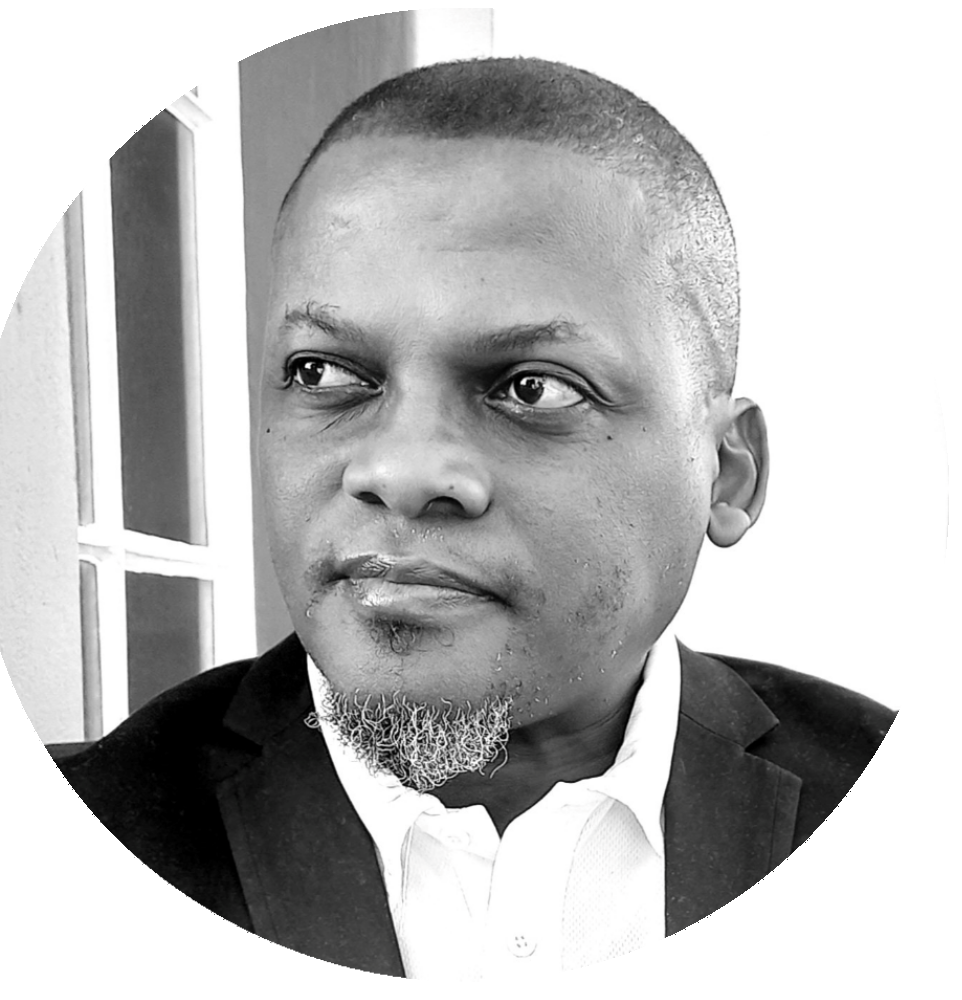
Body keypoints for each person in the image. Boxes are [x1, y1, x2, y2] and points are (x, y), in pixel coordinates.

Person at [55, 58, 900, 991]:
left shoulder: (906, 820)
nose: (402, 473)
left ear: (728, 475)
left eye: (531, 387)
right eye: (324, 374)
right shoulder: (77, 856)